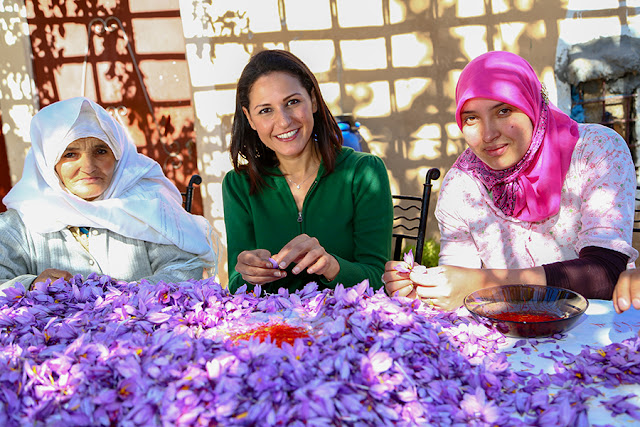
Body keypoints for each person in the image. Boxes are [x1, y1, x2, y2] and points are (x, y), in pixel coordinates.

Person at [383, 51, 637, 310]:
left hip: (596, 333)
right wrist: (430, 291)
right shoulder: (462, 184)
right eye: (471, 118)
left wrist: (486, 284)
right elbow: (459, 284)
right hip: (505, 340)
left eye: (504, 111)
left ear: (531, 103)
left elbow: (605, 274)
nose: (489, 134)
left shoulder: (595, 151)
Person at [0, 97, 216, 292]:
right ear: (49, 164)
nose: (88, 166)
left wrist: (118, 298)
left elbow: (186, 269)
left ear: (117, 155)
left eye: (101, 151)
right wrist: (30, 286)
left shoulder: (148, 204)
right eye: (70, 154)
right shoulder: (21, 222)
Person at [223, 49, 392, 294]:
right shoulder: (238, 185)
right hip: (272, 330)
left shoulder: (365, 173)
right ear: (249, 118)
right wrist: (248, 275)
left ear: (312, 100)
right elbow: (236, 286)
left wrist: (331, 266)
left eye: (292, 102)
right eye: (265, 110)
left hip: (349, 327)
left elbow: (378, 280)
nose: (283, 121)